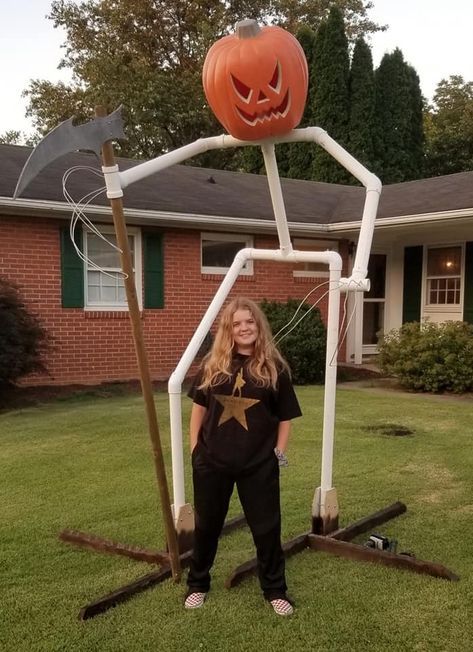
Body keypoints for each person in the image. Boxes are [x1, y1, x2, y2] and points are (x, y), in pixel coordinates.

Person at [185, 297, 302, 616]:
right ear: (228, 329)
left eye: (249, 322)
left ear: (258, 325)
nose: (244, 328)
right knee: (207, 526)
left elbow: (285, 417)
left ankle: (275, 589)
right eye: (237, 323)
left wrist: (279, 451)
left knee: (267, 529)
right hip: (212, 463)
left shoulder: (274, 368)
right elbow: (198, 410)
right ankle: (197, 584)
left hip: (259, 464)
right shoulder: (213, 364)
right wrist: (196, 449)